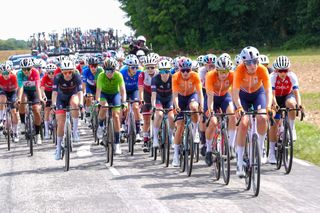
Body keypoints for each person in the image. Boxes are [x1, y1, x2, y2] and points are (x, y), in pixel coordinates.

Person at [233, 46, 273, 177]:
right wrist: (239, 107)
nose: (252, 65)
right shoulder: (239, 71)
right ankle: (239, 162)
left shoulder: (262, 69)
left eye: (255, 61)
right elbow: (235, 93)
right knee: (243, 124)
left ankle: (260, 149)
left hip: (258, 94)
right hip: (243, 96)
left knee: (262, 118)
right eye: (249, 62)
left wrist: (268, 106)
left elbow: (268, 91)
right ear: (244, 63)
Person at [268, 55, 304, 163]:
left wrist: (299, 105)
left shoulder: (292, 76)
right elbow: (272, 94)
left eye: (285, 70)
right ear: (276, 70)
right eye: (280, 71)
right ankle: (271, 154)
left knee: (292, 104)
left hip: (288, 95)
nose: (283, 73)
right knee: (275, 122)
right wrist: (274, 104)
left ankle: (291, 129)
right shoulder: (272, 77)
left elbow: (296, 92)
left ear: (288, 69)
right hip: (275, 98)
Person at [204, 56, 236, 166]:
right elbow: (210, 97)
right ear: (217, 70)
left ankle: (231, 147)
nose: (223, 74)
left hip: (224, 97)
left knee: (232, 115)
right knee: (213, 122)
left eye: (226, 71)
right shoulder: (210, 75)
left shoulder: (232, 75)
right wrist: (211, 111)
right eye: (221, 72)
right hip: (211, 98)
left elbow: (235, 93)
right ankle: (208, 149)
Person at [172, 57, 204, 167]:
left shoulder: (195, 76)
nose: (185, 73)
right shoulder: (175, 77)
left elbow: (200, 93)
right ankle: (175, 156)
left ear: (191, 69)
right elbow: (175, 95)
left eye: (188, 70)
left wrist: (202, 106)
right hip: (180, 98)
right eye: (183, 70)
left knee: (195, 108)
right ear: (179, 70)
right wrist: (176, 106)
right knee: (180, 127)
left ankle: (195, 131)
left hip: (191, 95)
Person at [51, 59, 83, 160]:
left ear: (73, 71)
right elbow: (55, 93)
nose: (68, 74)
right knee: (61, 123)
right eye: (65, 72)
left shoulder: (76, 76)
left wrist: (81, 104)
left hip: (73, 95)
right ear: (61, 72)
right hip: (61, 98)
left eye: (70, 72)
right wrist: (53, 104)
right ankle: (58, 147)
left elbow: (80, 92)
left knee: (75, 103)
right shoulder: (57, 77)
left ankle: (74, 131)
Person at [96, 58, 127, 154]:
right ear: (104, 70)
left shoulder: (118, 75)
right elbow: (98, 91)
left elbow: (122, 90)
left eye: (111, 71)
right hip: (104, 94)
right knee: (104, 107)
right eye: (107, 71)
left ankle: (117, 144)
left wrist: (124, 102)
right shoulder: (101, 76)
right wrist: (97, 101)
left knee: (116, 116)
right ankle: (100, 126)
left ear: (115, 70)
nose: (109, 73)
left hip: (115, 94)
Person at [17, 58, 44, 144]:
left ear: (31, 68)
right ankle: (22, 123)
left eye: (28, 69)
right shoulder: (20, 74)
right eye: (24, 69)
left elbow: (37, 86)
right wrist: (18, 99)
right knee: (22, 100)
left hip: (34, 92)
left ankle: (38, 134)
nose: (26, 71)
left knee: (36, 110)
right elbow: (20, 87)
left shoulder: (35, 72)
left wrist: (40, 98)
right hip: (24, 91)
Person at [151, 59, 175, 148]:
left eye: (167, 71)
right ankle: (155, 138)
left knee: (172, 117)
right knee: (160, 115)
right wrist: (153, 105)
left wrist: (174, 105)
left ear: (169, 71)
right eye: (162, 71)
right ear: (159, 71)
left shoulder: (173, 78)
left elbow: (175, 93)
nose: (164, 73)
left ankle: (171, 135)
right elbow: (153, 95)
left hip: (169, 99)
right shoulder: (155, 79)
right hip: (159, 99)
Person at [138, 54, 159, 151]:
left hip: (157, 94)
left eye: (152, 67)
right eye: (148, 67)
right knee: (146, 119)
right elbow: (141, 89)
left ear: (156, 66)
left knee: (159, 114)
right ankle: (145, 140)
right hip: (147, 94)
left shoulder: (159, 73)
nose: (150, 69)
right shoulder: (142, 74)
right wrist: (141, 100)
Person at [120, 55, 143, 141]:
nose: (135, 70)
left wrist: (141, 98)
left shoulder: (139, 72)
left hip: (134, 91)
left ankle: (137, 132)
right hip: (124, 90)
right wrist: (123, 100)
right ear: (128, 67)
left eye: (136, 67)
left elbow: (141, 86)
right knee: (124, 108)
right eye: (133, 68)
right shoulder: (122, 72)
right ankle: (122, 125)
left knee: (135, 107)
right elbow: (120, 87)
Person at [198, 54, 217, 154]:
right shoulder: (201, 71)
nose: (211, 67)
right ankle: (203, 138)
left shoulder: (218, 71)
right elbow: (202, 87)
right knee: (203, 115)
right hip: (205, 92)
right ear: (205, 65)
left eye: (213, 65)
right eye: (208, 65)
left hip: (216, 92)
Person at [0, 62, 19, 142]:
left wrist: (17, 99)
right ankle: (2, 118)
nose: (5, 75)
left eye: (7, 73)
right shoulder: (0, 78)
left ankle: (15, 132)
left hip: (12, 92)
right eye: (3, 73)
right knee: (2, 98)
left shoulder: (14, 77)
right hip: (4, 92)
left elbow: (18, 89)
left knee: (14, 112)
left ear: (10, 72)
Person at [40, 63, 57, 139]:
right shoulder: (44, 78)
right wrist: (43, 97)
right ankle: (46, 131)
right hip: (47, 93)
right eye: (49, 73)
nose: (51, 74)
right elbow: (42, 89)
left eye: (52, 72)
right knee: (46, 110)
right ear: (46, 73)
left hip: (55, 93)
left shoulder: (57, 78)